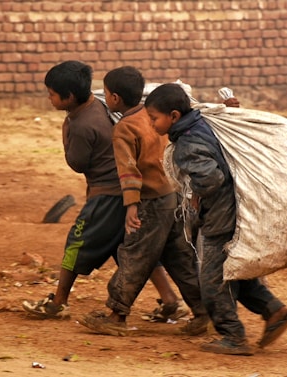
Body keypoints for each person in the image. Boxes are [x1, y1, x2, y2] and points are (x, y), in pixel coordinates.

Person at [21, 61, 188, 322]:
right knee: (130, 247)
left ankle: (58, 302)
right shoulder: (98, 104)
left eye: (52, 94)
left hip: (108, 195)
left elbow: (77, 163)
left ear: (69, 97)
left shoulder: (80, 125)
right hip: (127, 192)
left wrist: (66, 131)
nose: (49, 98)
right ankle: (170, 301)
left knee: (76, 243)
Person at [144, 83, 287, 356]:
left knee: (212, 279)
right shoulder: (203, 122)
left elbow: (211, 178)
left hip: (220, 217)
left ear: (174, 116)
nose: (151, 123)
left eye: (154, 118)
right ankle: (274, 311)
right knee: (232, 270)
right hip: (237, 211)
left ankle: (232, 336)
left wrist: (194, 193)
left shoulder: (187, 143)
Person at [78, 66, 210, 336]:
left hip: (151, 202)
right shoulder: (153, 116)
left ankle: (116, 315)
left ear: (114, 99)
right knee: (179, 257)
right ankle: (204, 311)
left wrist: (131, 206)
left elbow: (129, 171)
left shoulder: (125, 128)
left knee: (135, 255)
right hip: (173, 197)